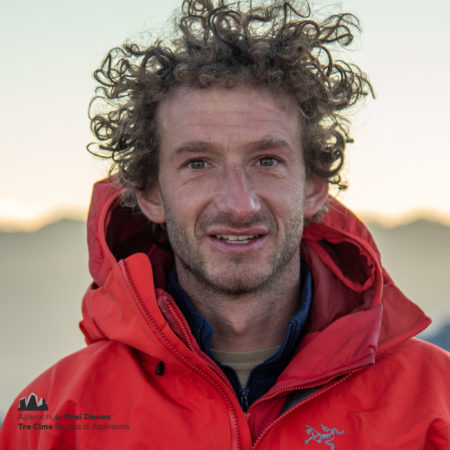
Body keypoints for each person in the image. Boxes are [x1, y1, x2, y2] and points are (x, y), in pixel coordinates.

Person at [1, 0, 449, 448]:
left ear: (314, 187)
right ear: (151, 193)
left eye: (267, 160)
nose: (239, 203)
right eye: (198, 163)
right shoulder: (54, 419)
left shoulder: (436, 404)